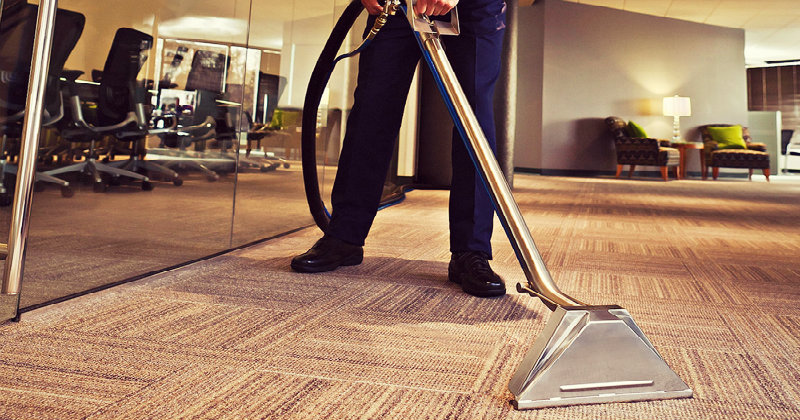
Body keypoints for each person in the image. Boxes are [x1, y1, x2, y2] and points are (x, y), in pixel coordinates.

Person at [291, 0, 507, 298]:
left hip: (475, 8)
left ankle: (471, 251)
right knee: (371, 111)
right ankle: (344, 236)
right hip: (396, 5)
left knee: (474, 121)